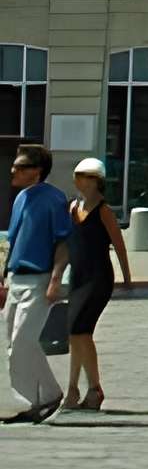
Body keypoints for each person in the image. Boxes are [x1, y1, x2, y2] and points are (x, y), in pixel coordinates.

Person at [59, 160, 128, 414]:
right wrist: (57, 275)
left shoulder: (103, 211)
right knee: (74, 332)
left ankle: (93, 388)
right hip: (77, 277)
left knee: (81, 330)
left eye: (82, 176)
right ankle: (74, 389)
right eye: (76, 176)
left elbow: (119, 245)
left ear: (95, 180)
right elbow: (67, 245)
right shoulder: (72, 208)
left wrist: (128, 278)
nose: (76, 181)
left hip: (98, 278)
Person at [4, 144, 66, 424]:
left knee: (24, 339)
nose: (13, 170)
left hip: (39, 279)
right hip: (17, 278)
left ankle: (50, 394)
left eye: (20, 166)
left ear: (36, 171)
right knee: (12, 345)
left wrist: (55, 280)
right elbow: (12, 240)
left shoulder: (54, 199)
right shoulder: (20, 199)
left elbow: (63, 241)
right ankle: (33, 400)